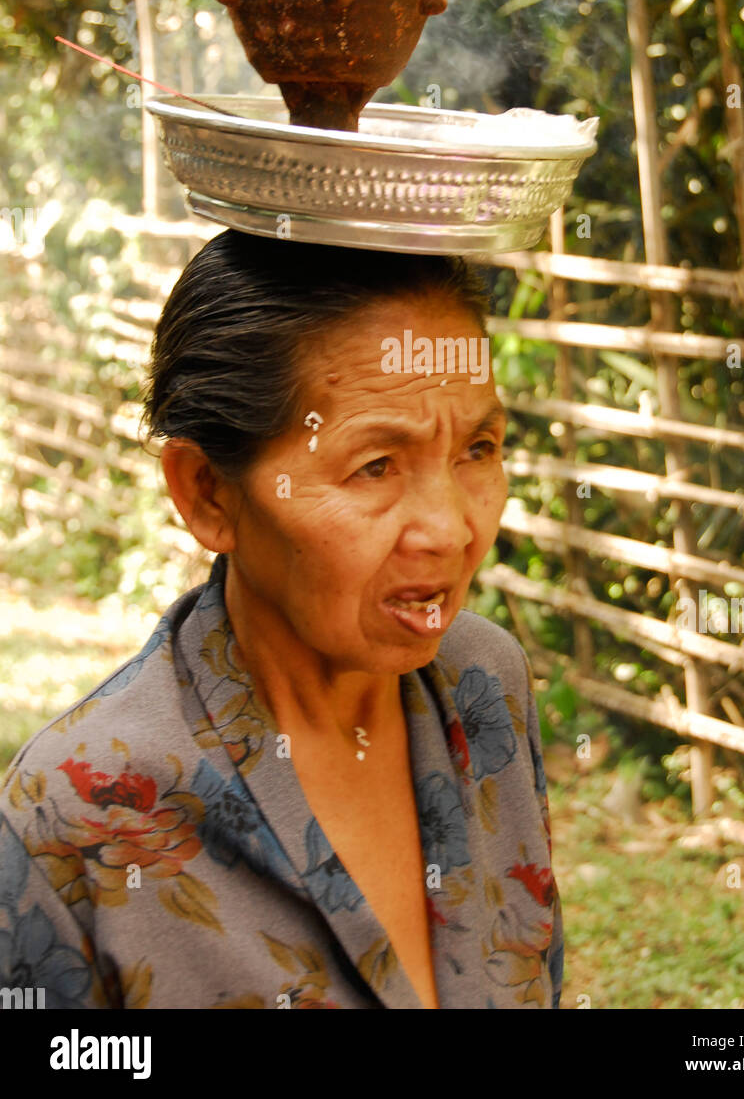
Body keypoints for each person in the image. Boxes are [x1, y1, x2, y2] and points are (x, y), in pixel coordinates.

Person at [0, 231, 563, 1009]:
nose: (452, 529)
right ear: (207, 493)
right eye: (375, 466)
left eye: (479, 447)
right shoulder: (74, 811)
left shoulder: (485, 685)